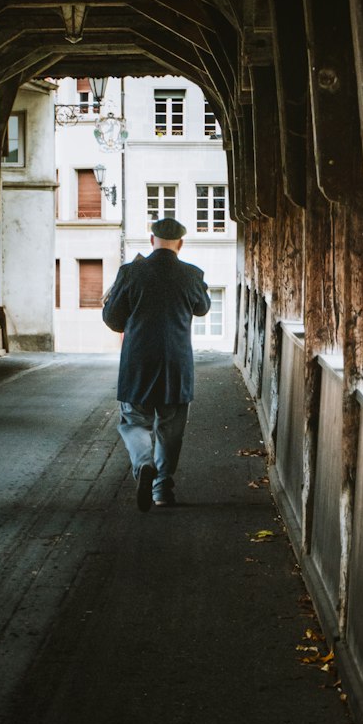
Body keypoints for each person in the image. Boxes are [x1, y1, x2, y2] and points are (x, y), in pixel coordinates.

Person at [101, 218, 211, 511]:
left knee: (134, 421)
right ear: (181, 244)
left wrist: (112, 301)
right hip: (176, 364)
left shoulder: (130, 273)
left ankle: (144, 463)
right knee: (171, 429)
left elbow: (113, 320)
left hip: (138, 362)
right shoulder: (191, 274)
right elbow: (202, 308)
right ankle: (162, 490)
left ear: (152, 241)